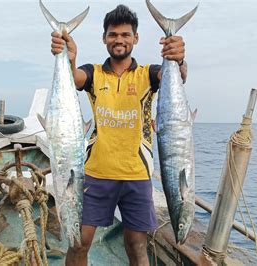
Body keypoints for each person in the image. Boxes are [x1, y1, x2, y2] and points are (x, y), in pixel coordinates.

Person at [50, 4, 187, 266]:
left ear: (136, 38)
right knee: (79, 242)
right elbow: (74, 79)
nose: (119, 40)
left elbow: (178, 77)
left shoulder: (149, 74)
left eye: (125, 35)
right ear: (104, 39)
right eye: (113, 35)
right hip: (95, 174)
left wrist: (179, 59)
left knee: (137, 245)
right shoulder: (94, 73)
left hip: (136, 174)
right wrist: (69, 57)